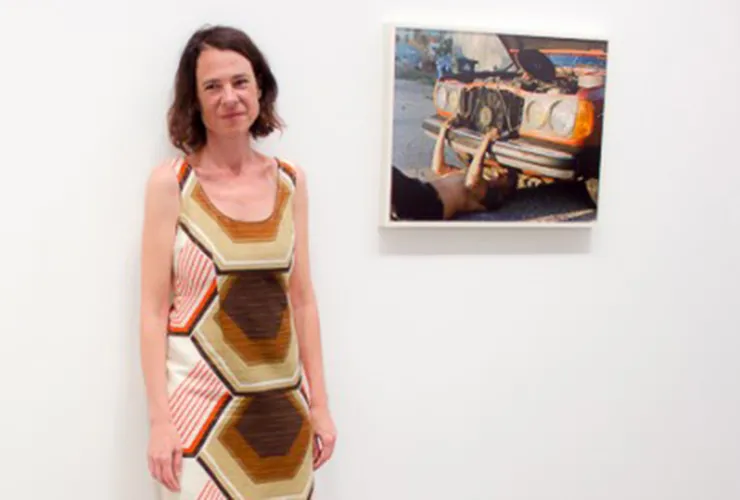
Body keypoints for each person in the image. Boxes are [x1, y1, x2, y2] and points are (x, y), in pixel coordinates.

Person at [138, 25, 336, 499]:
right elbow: (151, 310)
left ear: (260, 88)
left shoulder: (290, 182)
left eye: (240, 81)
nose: (230, 97)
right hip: (199, 420)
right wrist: (161, 422)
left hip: (283, 417)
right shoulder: (172, 184)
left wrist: (322, 406)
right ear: (196, 99)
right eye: (213, 86)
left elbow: (303, 301)